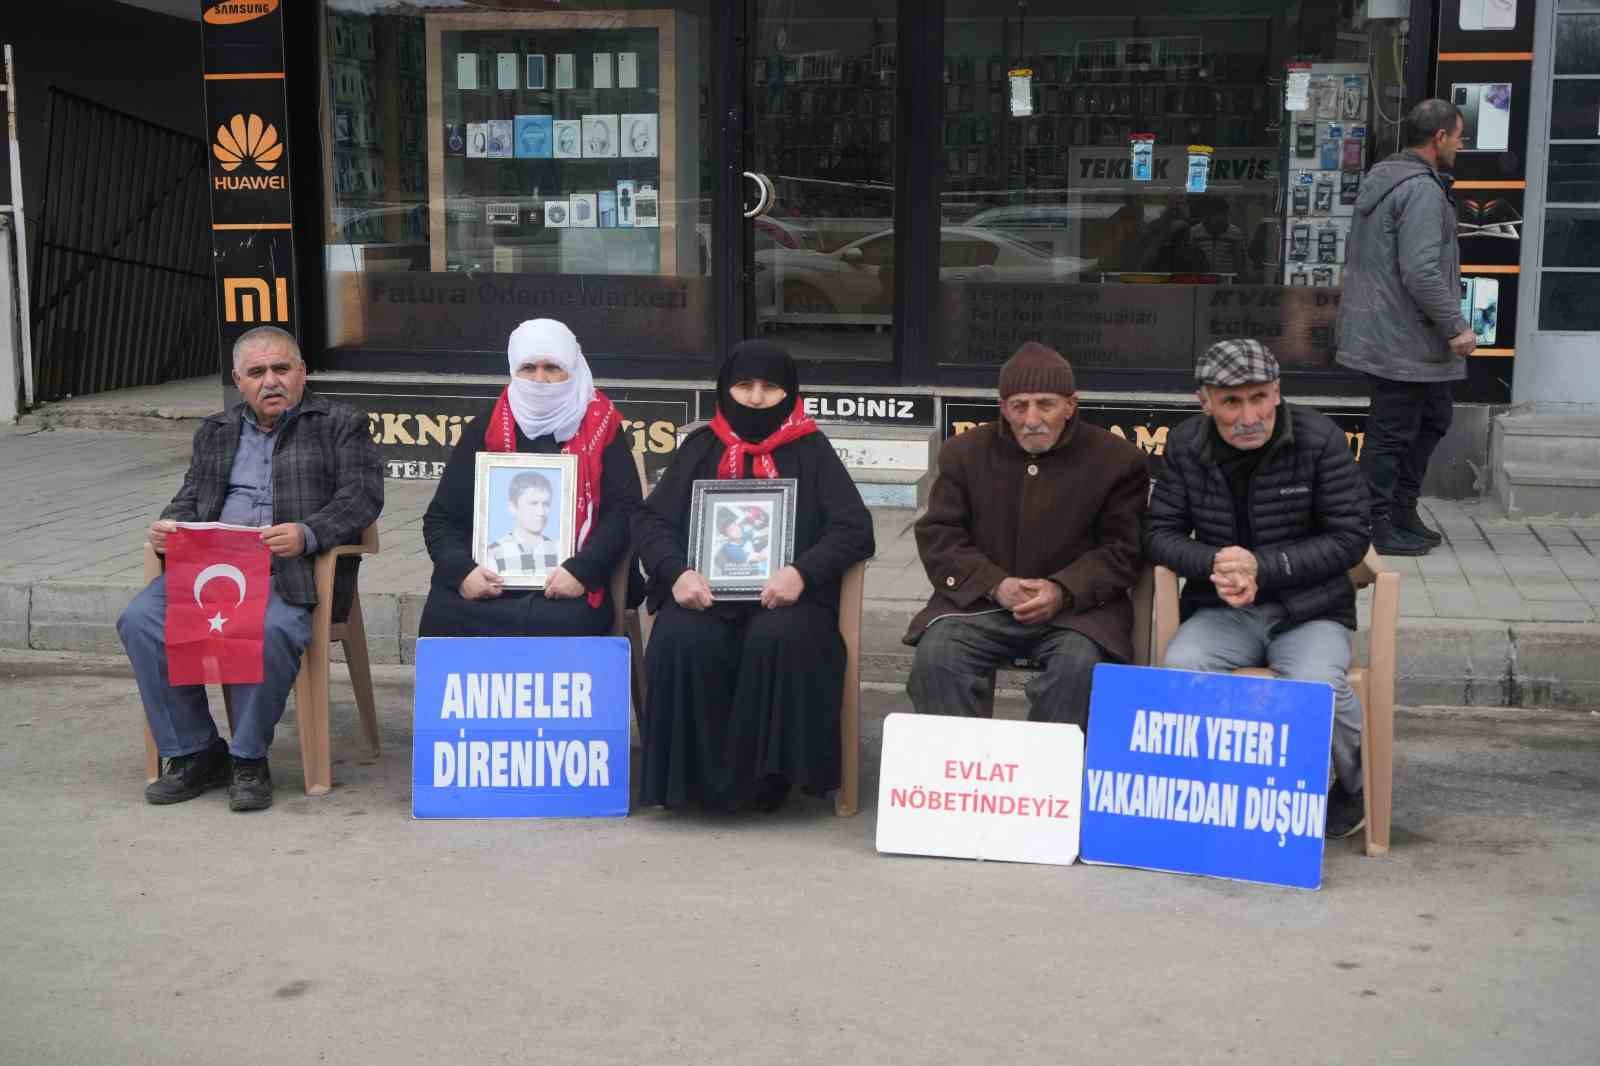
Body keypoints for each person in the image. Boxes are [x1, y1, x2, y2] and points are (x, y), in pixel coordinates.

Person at [117, 326, 384, 812]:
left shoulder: (340, 423)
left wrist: (306, 532)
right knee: (140, 621)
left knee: (271, 627)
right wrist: (170, 527)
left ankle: (248, 757)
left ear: (302, 372)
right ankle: (195, 751)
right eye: (257, 372)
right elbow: (191, 499)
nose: (271, 381)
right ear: (239, 380)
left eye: (281, 369)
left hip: (289, 571)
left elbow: (362, 497)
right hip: (212, 573)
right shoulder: (215, 433)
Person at [633, 340, 874, 812]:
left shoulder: (810, 448)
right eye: (745, 386)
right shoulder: (701, 447)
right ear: (726, 390)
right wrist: (677, 573)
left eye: (770, 387)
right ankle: (693, 783)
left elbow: (854, 527)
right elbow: (649, 521)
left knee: (782, 637)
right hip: (703, 594)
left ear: (791, 392)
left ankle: (771, 783)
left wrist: (802, 573)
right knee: (683, 638)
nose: (758, 399)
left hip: (787, 600)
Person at [1145, 339, 1371, 839]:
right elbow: (1159, 533)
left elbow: (1351, 536)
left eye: (1259, 398)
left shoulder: (1319, 438)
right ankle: (1209, 790)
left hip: (1310, 608)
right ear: (1205, 402)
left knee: (1317, 684)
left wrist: (1262, 567)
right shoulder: (1186, 444)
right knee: (1183, 668)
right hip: (1223, 607)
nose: (1248, 416)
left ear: (1277, 393)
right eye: (1231, 402)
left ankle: (1355, 786)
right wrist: (1215, 563)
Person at [905, 342, 1149, 729]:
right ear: (1003, 408)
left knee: (1078, 669)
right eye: (1019, 406)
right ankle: (963, 779)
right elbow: (940, 535)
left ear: (1071, 404)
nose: (1032, 419)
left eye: (1045, 404)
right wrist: (995, 584)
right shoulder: (963, 453)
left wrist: (1062, 590)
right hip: (980, 606)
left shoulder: (1117, 461)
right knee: (938, 659)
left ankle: (1048, 784)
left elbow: (1123, 550)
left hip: (1077, 613)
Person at [420, 319, 640, 638]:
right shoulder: (485, 430)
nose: (540, 379)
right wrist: (462, 572)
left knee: (566, 621)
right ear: (513, 369)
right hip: (489, 579)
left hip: (570, 581)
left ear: (572, 370)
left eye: (552, 367)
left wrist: (582, 570)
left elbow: (626, 512)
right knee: (446, 612)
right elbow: (441, 518)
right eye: (528, 367)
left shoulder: (602, 428)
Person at [1336, 98, 1471, 556]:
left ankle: (1400, 510)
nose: (1461, 143)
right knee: (1392, 431)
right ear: (1439, 138)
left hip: (1398, 333)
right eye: (1458, 135)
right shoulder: (1421, 191)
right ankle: (1371, 525)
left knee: (1434, 418)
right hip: (1404, 338)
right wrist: (1455, 326)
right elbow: (1421, 272)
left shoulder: (1391, 180)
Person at [484, 471, 561, 579]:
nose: (541, 512)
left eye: (546, 504)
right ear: (513, 508)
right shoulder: (494, 552)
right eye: (533, 504)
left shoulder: (559, 549)